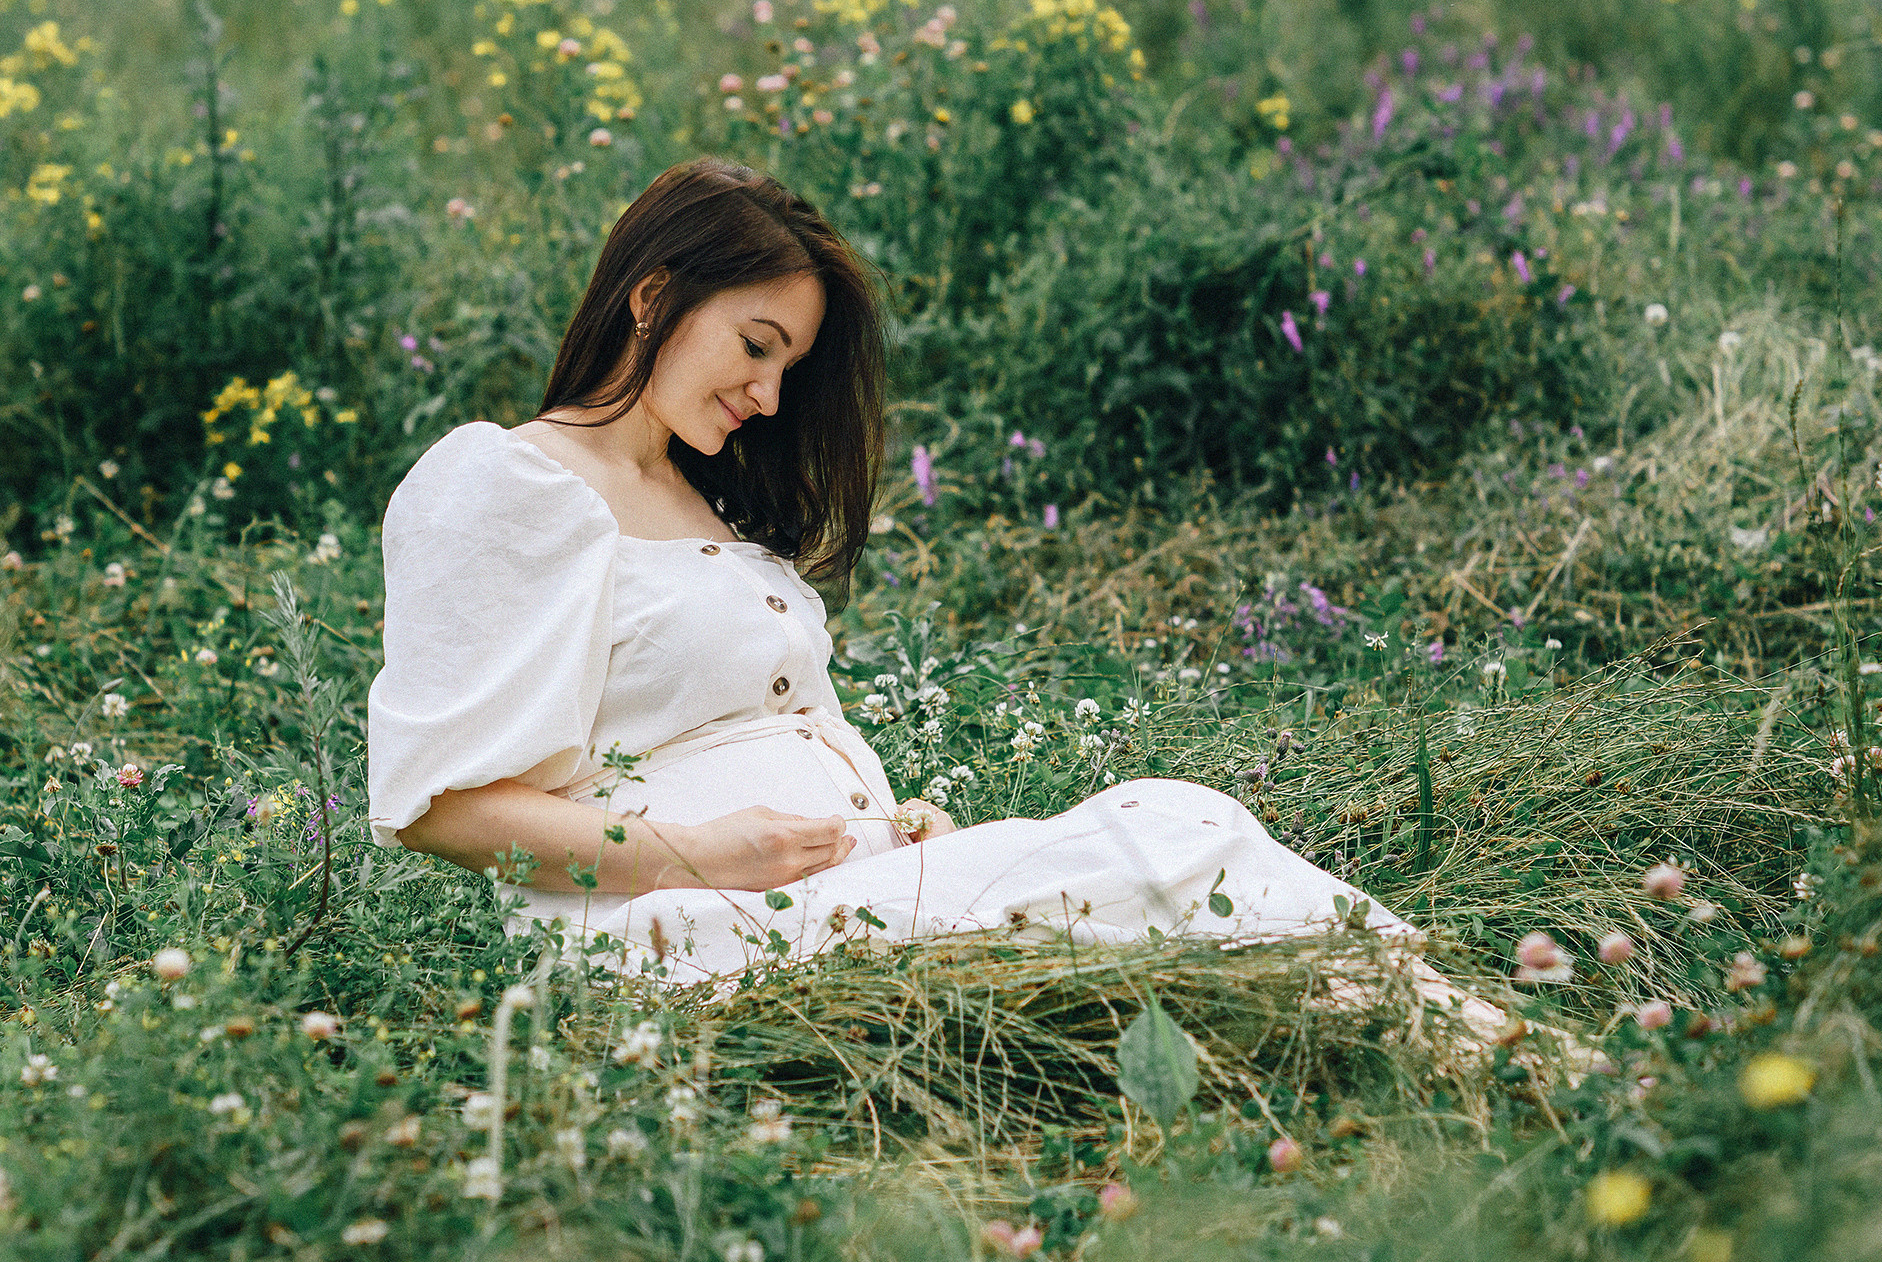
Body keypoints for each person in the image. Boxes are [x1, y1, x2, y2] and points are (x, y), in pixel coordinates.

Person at [364, 158, 1511, 1045]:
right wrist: (701, 851)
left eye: (788, 369)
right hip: (683, 932)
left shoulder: (693, 500)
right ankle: (1504, 1056)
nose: (767, 397)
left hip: (828, 896)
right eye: (755, 347)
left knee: (1172, 860)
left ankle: (1464, 1041)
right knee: (1176, 831)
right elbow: (441, 809)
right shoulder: (507, 482)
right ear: (654, 296)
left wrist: (888, 819)